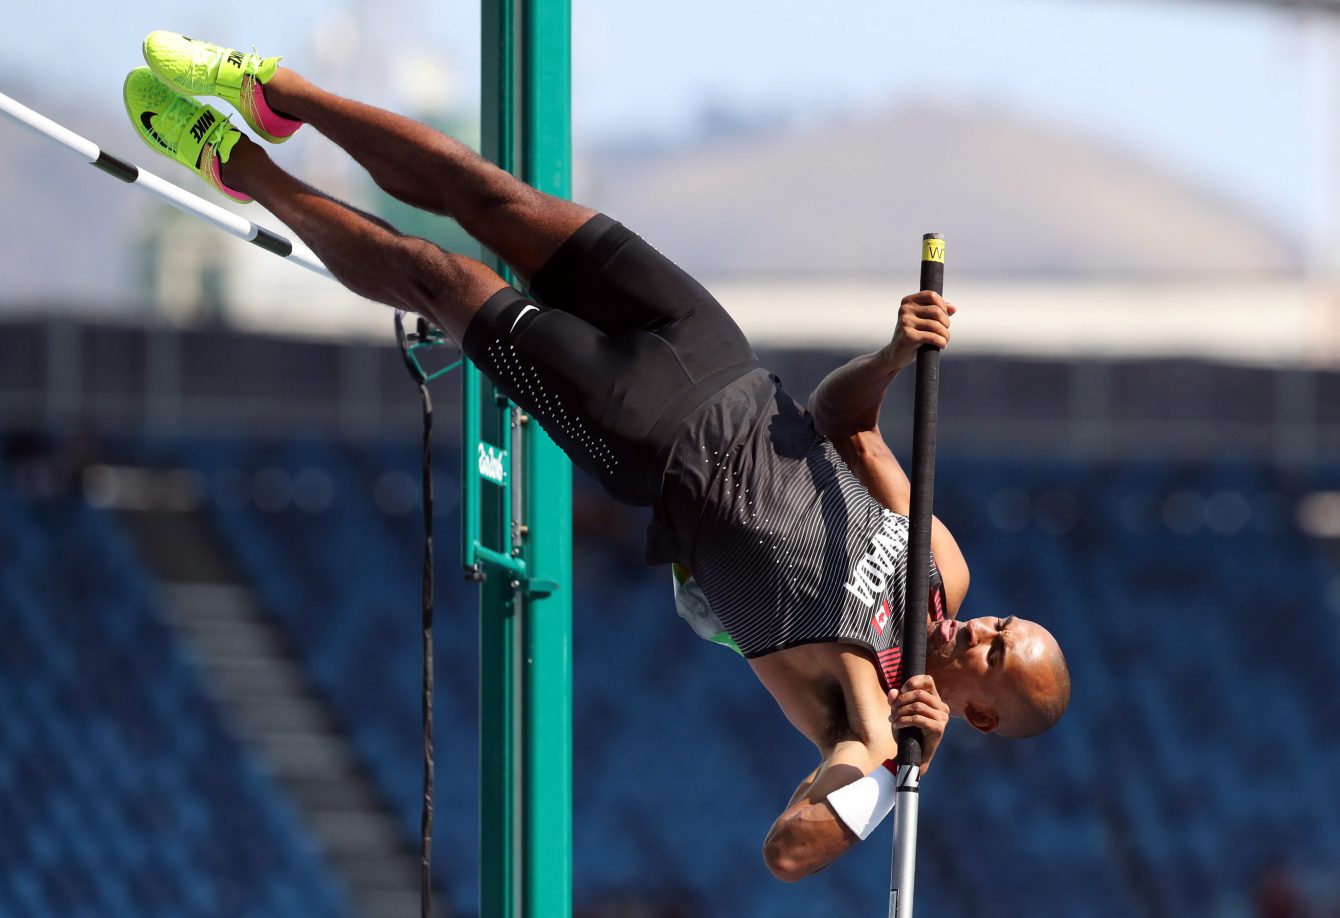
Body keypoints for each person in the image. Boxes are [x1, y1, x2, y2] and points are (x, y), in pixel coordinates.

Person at [123, 31, 1071, 881]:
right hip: (717, 351)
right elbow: (843, 421)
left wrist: (897, 778)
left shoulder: (867, 723)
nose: (983, 629)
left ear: (981, 713)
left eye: (996, 652)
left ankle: (237, 163)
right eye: (1005, 623)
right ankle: (276, 90)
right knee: (493, 198)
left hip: (648, 436)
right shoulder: (941, 566)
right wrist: (894, 355)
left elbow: (787, 852)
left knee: (441, 276)